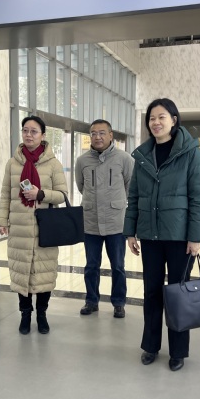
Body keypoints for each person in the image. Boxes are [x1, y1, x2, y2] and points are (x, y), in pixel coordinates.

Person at [124, 98, 200, 372]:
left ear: (173, 119)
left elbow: (199, 197)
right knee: (151, 292)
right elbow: (134, 196)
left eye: (161, 117)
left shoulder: (191, 153)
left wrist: (196, 236)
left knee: (178, 293)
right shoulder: (143, 155)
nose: (156, 122)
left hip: (180, 237)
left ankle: (178, 351)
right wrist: (130, 231)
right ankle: (150, 345)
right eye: (151, 118)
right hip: (150, 236)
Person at [0, 115, 67, 335]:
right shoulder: (12, 163)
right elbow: (6, 194)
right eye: (25, 130)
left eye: (34, 131)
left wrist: (41, 194)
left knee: (44, 273)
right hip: (19, 228)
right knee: (21, 273)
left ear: (43, 135)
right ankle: (25, 314)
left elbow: (62, 195)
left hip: (45, 228)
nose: (28, 135)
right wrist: (2, 220)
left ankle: (42, 315)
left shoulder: (53, 164)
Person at [75, 119, 134, 318]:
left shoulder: (124, 159)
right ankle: (91, 301)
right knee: (91, 266)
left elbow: (130, 187)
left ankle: (119, 302)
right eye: (93, 133)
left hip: (116, 223)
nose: (97, 137)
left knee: (118, 266)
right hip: (90, 222)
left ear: (111, 135)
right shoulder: (82, 161)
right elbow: (81, 186)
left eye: (102, 133)